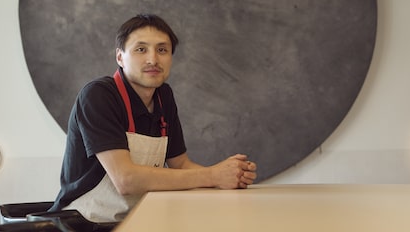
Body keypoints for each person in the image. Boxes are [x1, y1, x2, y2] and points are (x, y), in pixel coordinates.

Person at [50, 14, 257, 222]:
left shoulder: (163, 96)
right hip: (81, 223)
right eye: (141, 49)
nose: (153, 60)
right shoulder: (98, 95)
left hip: (136, 219)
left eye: (162, 50)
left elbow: (181, 164)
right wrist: (213, 176)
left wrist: (230, 176)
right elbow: (126, 179)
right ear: (120, 57)